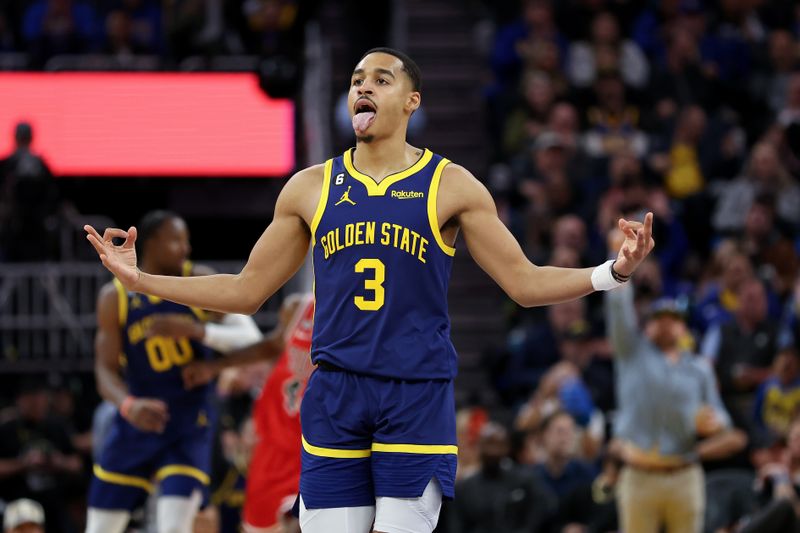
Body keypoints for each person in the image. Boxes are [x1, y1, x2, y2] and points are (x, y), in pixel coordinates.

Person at [85, 47, 656, 533]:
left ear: (412, 101)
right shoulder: (311, 187)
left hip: (414, 392)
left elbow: (525, 283)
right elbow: (246, 289)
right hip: (335, 393)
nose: (364, 87)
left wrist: (614, 272)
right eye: (357, 80)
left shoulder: (449, 183)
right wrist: (141, 281)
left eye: (382, 79)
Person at [84, 210, 259, 533]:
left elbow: (252, 340)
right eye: (177, 240)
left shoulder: (198, 279)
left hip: (189, 423)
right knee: (100, 528)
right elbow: (104, 371)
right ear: (152, 243)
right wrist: (127, 405)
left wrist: (197, 332)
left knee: (174, 527)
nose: (186, 248)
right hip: (138, 420)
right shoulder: (116, 297)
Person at [605, 225, 747, 533]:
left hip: (684, 472)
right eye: (660, 320)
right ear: (649, 325)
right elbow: (618, 310)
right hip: (638, 471)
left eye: (674, 321)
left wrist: (716, 423)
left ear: (683, 329)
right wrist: (618, 262)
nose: (667, 326)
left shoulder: (699, 369)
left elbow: (720, 414)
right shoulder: (631, 351)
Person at [183, 293, 315, 533]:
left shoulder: (360, 315)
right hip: (273, 448)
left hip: (317, 452)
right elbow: (272, 345)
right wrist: (215, 367)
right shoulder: (298, 307)